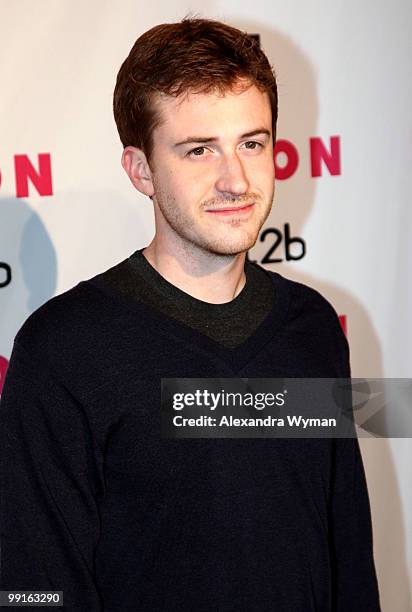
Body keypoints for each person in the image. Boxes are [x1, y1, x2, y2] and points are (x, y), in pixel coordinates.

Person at [0, 17, 380, 611]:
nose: (237, 180)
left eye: (252, 143)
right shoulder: (65, 351)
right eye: (200, 150)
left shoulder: (312, 327)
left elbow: (348, 554)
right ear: (141, 169)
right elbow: (33, 586)